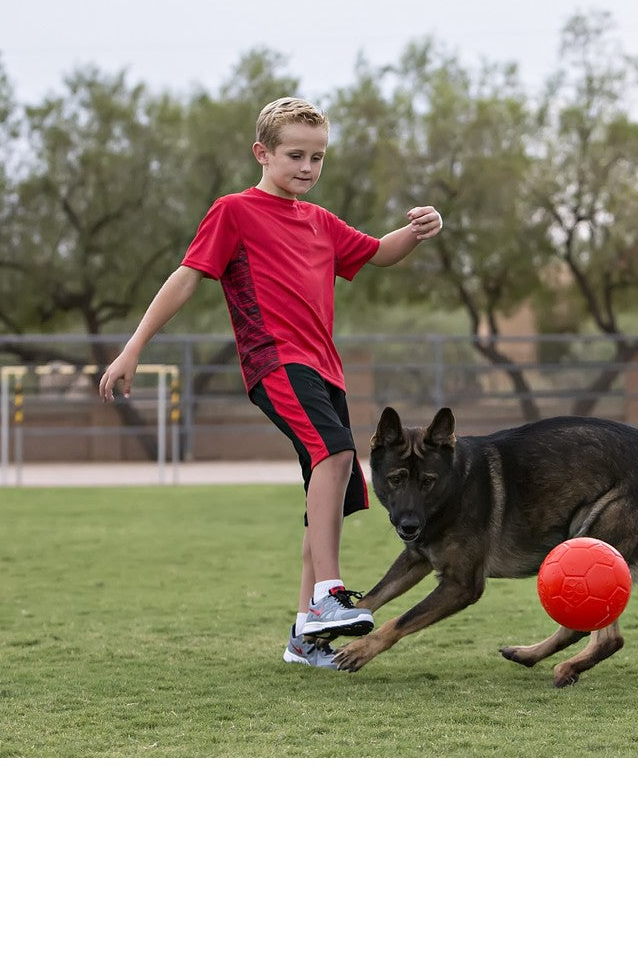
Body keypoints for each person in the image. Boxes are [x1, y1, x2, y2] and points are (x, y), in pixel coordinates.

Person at [97, 96, 443, 669]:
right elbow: (186, 279)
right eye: (296, 155)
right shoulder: (234, 211)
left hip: (325, 369)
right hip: (276, 363)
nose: (308, 167)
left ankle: (305, 638)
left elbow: (379, 254)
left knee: (325, 487)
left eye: (318, 157)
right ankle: (330, 597)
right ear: (263, 153)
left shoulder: (320, 221)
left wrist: (418, 230)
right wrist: (134, 347)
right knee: (335, 455)